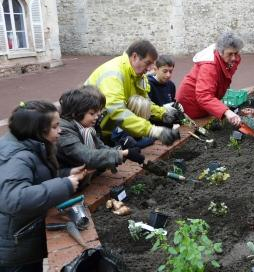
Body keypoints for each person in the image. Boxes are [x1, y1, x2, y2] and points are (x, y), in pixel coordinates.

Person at [0, 101, 86, 271]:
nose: (60, 130)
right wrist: (65, 185)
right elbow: (13, 199)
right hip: (15, 249)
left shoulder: (29, 143)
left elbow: (34, 178)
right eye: (55, 126)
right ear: (38, 130)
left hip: (22, 237)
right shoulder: (18, 157)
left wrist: (66, 174)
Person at [85, 39, 182, 146]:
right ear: (134, 57)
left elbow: (146, 103)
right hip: (86, 129)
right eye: (148, 63)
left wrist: (163, 113)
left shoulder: (138, 75)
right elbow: (117, 111)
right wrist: (153, 131)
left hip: (103, 126)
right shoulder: (113, 74)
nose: (150, 68)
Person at [57, 86, 145, 178]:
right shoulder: (64, 132)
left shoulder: (86, 129)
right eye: (92, 113)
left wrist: (124, 153)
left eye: (98, 112)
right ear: (76, 113)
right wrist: (123, 153)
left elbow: (101, 148)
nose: (97, 116)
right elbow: (87, 156)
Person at [176, 32, 244, 126]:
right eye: (230, 54)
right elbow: (204, 95)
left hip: (202, 103)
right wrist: (226, 112)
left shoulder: (229, 60)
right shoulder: (209, 66)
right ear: (220, 52)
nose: (233, 58)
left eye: (236, 53)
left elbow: (225, 76)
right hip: (191, 105)